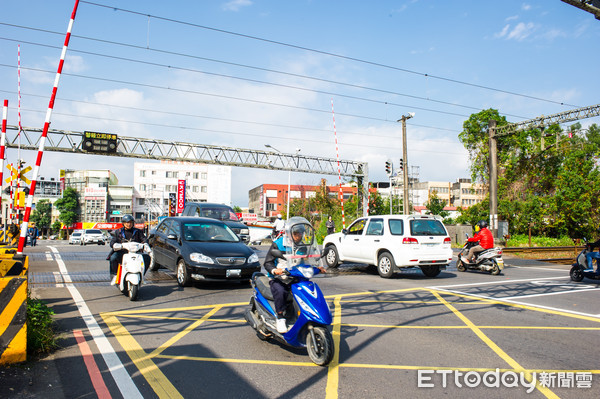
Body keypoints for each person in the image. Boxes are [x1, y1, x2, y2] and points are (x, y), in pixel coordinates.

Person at [264, 222, 325, 333]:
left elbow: (307, 260)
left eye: (301, 233)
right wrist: (274, 270)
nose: (299, 236)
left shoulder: (303, 246)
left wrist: (317, 267)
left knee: (309, 290)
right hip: (280, 277)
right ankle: (280, 317)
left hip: (296, 276)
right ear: (289, 233)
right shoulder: (278, 244)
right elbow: (268, 263)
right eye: (296, 233)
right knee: (281, 291)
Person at [108, 215, 149, 285]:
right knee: (113, 258)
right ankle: (114, 275)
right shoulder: (118, 232)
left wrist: (145, 244)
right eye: (126, 222)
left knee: (147, 258)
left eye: (130, 222)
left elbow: (144, 239)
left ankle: (142, 275)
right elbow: (113, 241)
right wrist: (115, 245)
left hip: (136, 253)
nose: (129, 224)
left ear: (133, 223)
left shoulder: (138, 231)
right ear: (123, 223)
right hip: (122, 253)